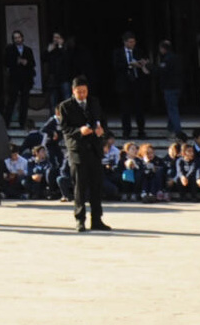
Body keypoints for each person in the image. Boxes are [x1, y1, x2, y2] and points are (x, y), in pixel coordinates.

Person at [56, 76, 111, 232]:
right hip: (78, 151)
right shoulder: (65, 106)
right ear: (73, 91)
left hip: (94, 149)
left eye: (84, 91)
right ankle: (80, 219)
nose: (82, 95)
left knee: (96, 186)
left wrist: (102, 131)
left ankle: (97, 219)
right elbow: (65, 129)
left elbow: (102, 121)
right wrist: (79, 131)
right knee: (80, 187)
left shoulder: (94, 102)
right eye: (79, 92)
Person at [114, 34, 149, 139]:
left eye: (133, 42)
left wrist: (142, 63)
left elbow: (145, 60)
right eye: (130, 42)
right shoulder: (118, 53)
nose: (132, 44)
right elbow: (116, 66)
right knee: (125, 110)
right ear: (125, 42)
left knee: (139, 108)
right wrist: (130, 64)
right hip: (125, 84)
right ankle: (126, 131)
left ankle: (141, 130)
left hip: (137, 83)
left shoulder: (139, 51)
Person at [6, 32, 37, 128]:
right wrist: (16, 61)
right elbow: (5, 62)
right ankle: (7, 122)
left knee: (24, 101)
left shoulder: (28, 50)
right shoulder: (9, 49)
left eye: (19, 37)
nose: (17, 39)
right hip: (14, 79)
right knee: (12, 100)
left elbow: (33, 63)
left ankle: (22, 122)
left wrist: (26, 62)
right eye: (15, 38)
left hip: (25, 79)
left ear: (22, 38)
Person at [154, 41, 184, 137]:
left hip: (170, 87)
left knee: (172, 109)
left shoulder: (167, 59)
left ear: (163, 49)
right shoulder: (176, 58)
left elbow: (162, 71)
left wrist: (149, 67)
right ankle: (170, 127)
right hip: (177, 87)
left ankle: (177, 131)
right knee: (172, 107)